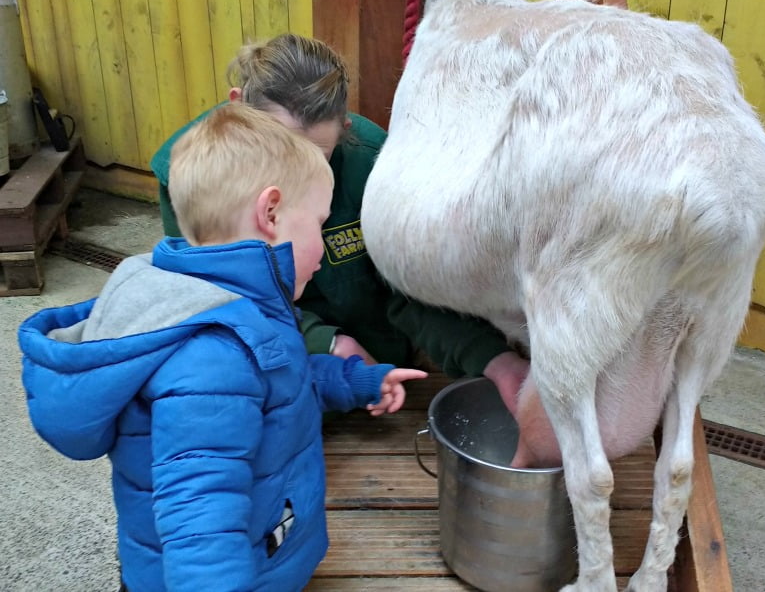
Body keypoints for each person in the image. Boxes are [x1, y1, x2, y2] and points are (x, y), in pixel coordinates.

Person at [19, 103, 428, 591]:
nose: (322, 244)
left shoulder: (235, 306)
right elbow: (201, 528)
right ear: (270, 213)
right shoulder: (213, 356)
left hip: (263, 559)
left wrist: (354, 380)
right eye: (318, 223)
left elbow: (278, 384)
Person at [150, 33, 529, 413]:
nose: (292, 173)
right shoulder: (189, 175)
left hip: (375, 379)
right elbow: (217, 298)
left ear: (344, 128)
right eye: (279, 144)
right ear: (238, 107)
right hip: (265, 384)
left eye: (316, 155)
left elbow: (410, 288)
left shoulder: (371, 161)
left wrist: (493, 359)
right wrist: (326, 343)